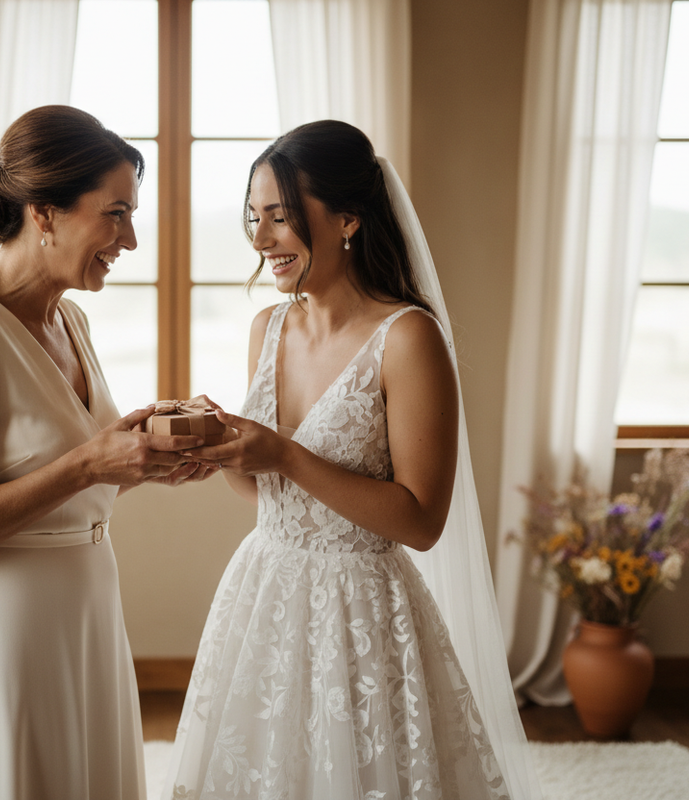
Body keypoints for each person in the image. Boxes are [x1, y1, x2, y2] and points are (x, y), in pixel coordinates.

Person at [163, 121, 542, 799]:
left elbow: (421, 521)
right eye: (255, 218)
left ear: (347, 220)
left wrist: (281, 451)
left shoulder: (408, 338)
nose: (260, 239)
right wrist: (225, 447)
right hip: (264, 592)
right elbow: (267, 498)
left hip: (362, 613)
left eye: (279, 218)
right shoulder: (268, 328)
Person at [0, 105, 214, 800]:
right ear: (44, 213)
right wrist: (91, 464)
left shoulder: (69, 318)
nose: (130, 238)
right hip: (2, 632)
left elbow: (74, 477)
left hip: (86, 610)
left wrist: (144, 462)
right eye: (116, 213)